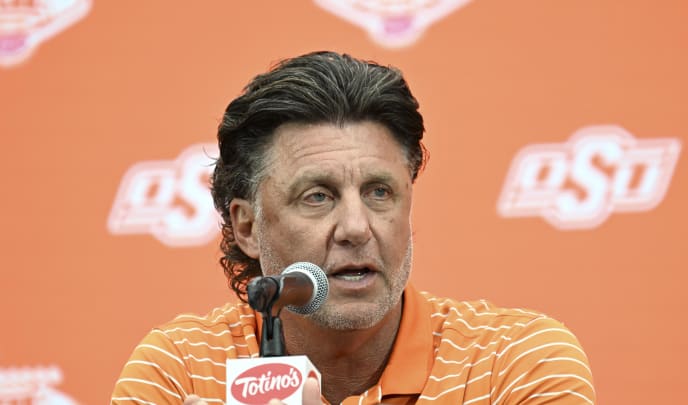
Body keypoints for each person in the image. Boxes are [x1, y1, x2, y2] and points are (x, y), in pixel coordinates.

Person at [111, 51, 596, 405]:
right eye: (317, 196)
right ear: (248, 226)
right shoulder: (179, 371)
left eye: (379, 192)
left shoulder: (516, 360)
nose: (356, 228)